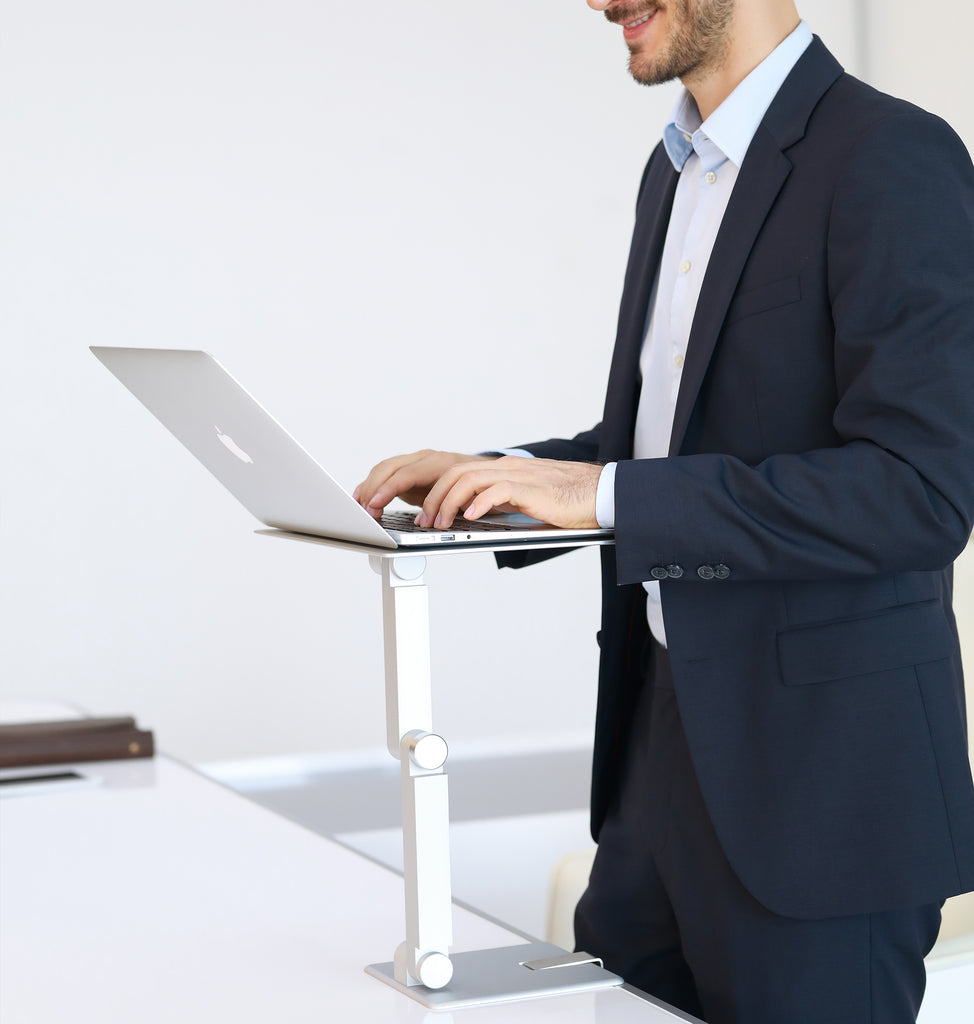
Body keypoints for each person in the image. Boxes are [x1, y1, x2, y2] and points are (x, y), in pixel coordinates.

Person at [354, 2, 974, 1021]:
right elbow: (659, 447)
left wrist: (598, 492)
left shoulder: (888, 155)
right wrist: (496, 478)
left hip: (820, 794)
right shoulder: (672, 172)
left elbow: (917, 489)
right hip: (654, 775)